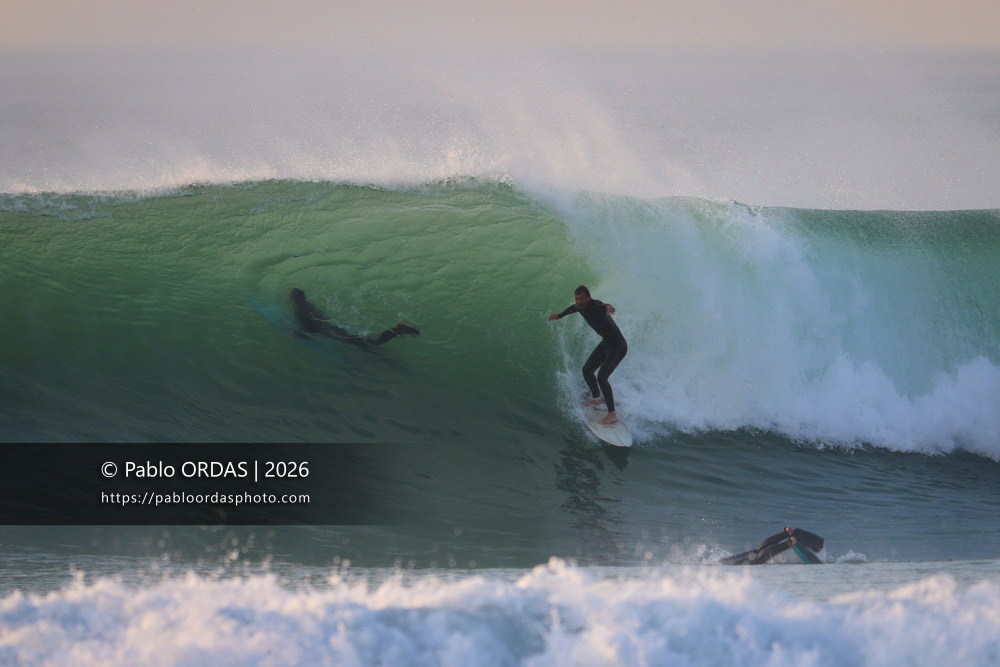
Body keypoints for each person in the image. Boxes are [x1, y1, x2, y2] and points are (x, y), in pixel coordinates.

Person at [549, 285, 628, 425]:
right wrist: (559, 315)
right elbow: (572, 308)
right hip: (606, 344)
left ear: (588, 297)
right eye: (577, 298)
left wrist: (609, 307)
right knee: (586, 370)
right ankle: (596, 398)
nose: (578, 301)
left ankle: (612, 414)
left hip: (618, 346)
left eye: (581, 298)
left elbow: (603, 305)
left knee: (602, 377)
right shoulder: (579, 307)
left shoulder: (596, 306)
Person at [288, 288, 419, 347]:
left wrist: (296, 332)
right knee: (365, 341)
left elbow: (309, 328)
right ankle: (397, 331)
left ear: (294, 300)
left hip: (330, 331)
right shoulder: (309, 305)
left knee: (373, 343)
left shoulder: (299, 311)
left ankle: (398, 330)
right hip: (333, 326)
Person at [719, 527, 825, 565]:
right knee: (755, 554)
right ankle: (786, 535)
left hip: (722, 565)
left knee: (755, 558)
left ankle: (788, 541)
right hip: (722, 564)